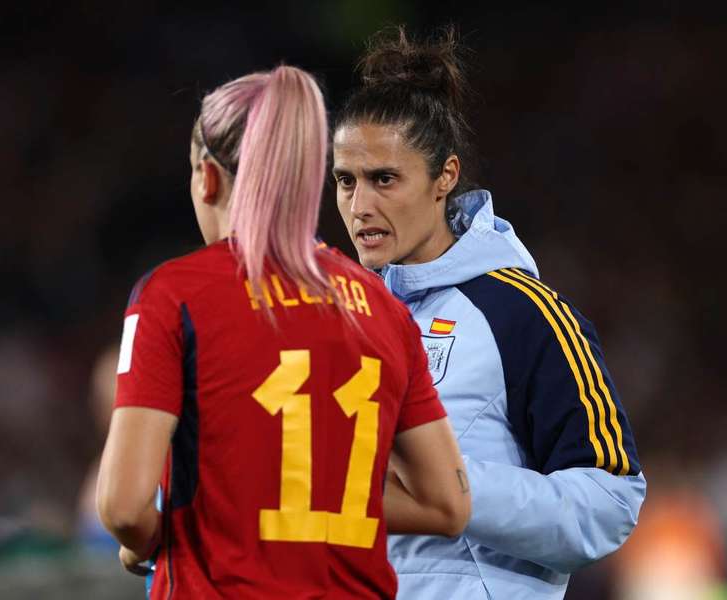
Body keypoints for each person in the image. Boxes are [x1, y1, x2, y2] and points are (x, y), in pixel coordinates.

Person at [96, 64, 470, 599]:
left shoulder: (174, 294)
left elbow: (123, 508)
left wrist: (155, 537)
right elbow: (448, 505)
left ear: (206, 177)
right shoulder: (384, 311)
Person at [331, 27, 646, 599]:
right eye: (345, 181)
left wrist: (446, 488)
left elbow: (611, 502)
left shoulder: (523, 312)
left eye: (384, 179)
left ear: (444, 178)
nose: (360, 206)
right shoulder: (336, 320)